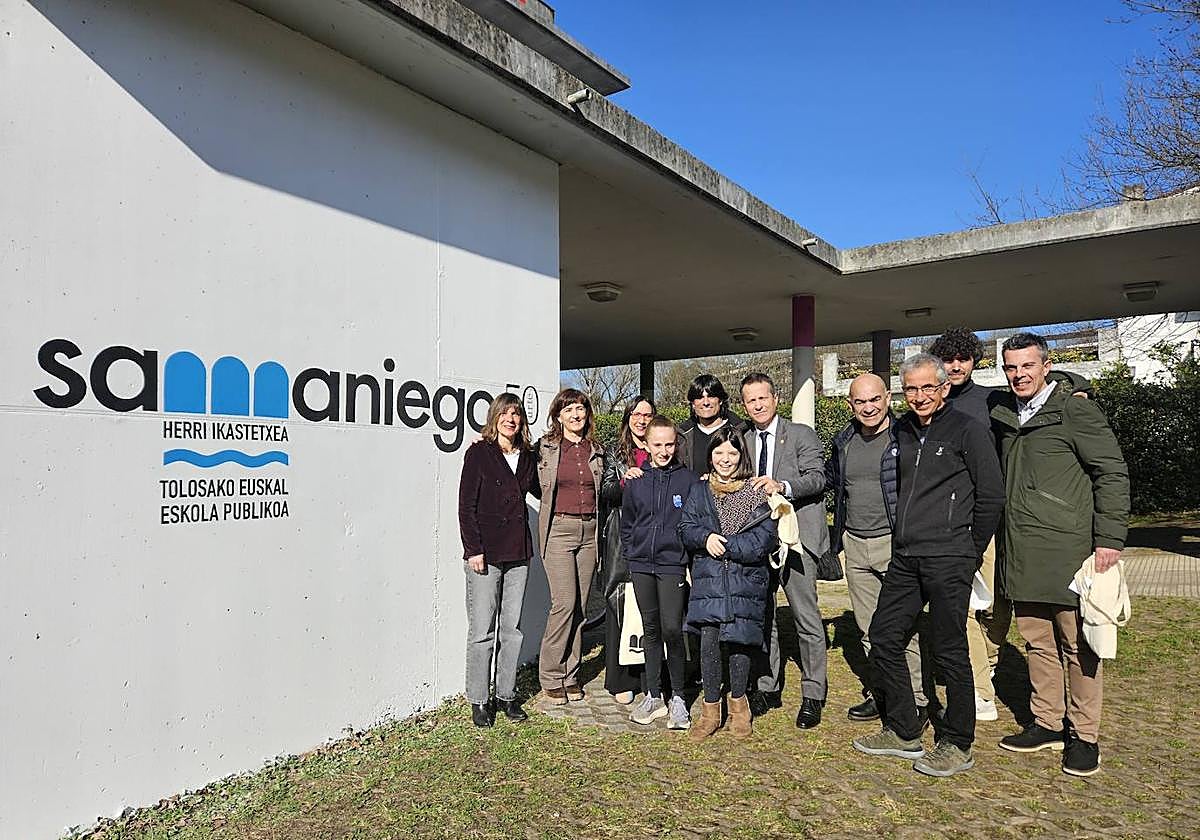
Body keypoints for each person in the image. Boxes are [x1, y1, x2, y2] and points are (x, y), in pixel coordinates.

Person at [929, 326, 1093, 722]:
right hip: (960, 525)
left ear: (974, 361)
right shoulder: (930, 405)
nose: (955, 366)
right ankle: (979, 689)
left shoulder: (992, 400)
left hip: (1006, 522)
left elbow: (1044, 385)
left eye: (962, 358)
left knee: (998, 609)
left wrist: (1079, 384)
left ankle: (988, 662)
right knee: (966, 606)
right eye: (948, 359)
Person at [853, 354, 1004, 778]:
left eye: (927, 388)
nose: (919, 397)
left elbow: (992, 496)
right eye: (912, 389)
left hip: (950, 555)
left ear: (942, 389)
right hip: (907, 554)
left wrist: (969, 550)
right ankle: (904, 729)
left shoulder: (968, 431)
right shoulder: (901, 430)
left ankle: (958, 741)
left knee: (949, 647)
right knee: (883, 634)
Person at [992, 332, 1129, 777]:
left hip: (1070, 550)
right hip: (1023, 551)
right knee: (1037, 643)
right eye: (1011, 367)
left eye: (1028, 365)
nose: (1019, 375)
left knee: (1079, 645)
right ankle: (1048, 722)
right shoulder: (1004, 413)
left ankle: (1085, 735)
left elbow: (1111, 471)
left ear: (1047, 366)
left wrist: (1109, 538)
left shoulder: (1074, 409)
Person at [825, 373, 929, 728]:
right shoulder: (844, 442)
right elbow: (834, 486)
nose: (868, 408)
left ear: (888, 398)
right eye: (860, 402)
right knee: (868, 628)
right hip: (855, 543)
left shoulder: (907, 436)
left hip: (894, 542)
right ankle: (882, 692)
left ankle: (916, 698)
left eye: (874, 400)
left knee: (903, 626)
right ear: (850, 405)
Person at [740, 372, 829, 729]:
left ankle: (812, 693)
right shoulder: (743, 440)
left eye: (763, 398)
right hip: (758, 541)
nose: (758, 405)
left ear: (776, 399)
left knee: (806, 617)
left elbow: (819, 478)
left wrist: (783, 486)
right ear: (744, 406)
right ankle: (767, 685)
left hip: (796, 540)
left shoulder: (801, 434)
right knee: (763, 615)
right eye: (751, 400)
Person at [680, 425, 779, 741]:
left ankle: (739, 706)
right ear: (710, 456)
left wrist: (729, 546)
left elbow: (765, 537)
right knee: (708, 643)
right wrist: (705, 537)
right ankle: (710, 710)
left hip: (743, 578)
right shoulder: (700, 490)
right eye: (719, 452)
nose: (725, 459)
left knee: (739, 642)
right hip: (709, 576)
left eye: (732, 453)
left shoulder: (755, 492)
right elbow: (686, 527)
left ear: (741, 456)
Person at [457, 393, 537, 727]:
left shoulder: (529, 457)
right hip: (485, 554)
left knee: (512, 630)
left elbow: (543, 489)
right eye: (505, 413)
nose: (511, 419)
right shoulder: (479, 453)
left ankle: (506, 695)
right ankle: (479, 699)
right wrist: (473, 549)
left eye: (516, 414)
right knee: (481, 630)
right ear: (495, 418)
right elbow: (466, 505)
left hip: (518, 552)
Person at [621, 416, 698, 729]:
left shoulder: (689, 480)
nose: (664, 451)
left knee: (671, 629)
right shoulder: (636, 480)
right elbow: (628, 524)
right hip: (641, 564)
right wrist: (632, 551)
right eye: (657, 445)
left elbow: (694, 521)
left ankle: (678, 697)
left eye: (669, 444)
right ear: (647, 445)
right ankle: (653, 695)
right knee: (650, 629)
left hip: (672, 565)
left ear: (676, 444)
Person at [534, 388, 607, 704]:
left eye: (580, 409)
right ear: (558, 416)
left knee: (579, 606)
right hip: (559, 531)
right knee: (563, 603)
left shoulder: (597, 450)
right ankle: (551, 674)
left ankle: (571, 674)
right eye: (569, 410)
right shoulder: (546, 449)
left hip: (589, 531)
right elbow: (528, 478)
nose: (576, 414)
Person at [599, 397, 656, 705]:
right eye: (636, 414)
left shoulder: (663, 446)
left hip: (656, 538)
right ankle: (622, 677)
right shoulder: (615, 451)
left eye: (647, 414)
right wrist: (624, 480)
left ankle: (651, 675)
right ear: (628, 417)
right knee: (620, 602)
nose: (642, 420)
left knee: (650, 604)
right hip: (622, 536)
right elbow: (605, 491)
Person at [677, 374, 747, 472]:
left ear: (720, 400)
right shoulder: (682, 435)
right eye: (700, 397)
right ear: (693, 403)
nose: (706, 402)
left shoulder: (742, 431)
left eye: (711, 396)